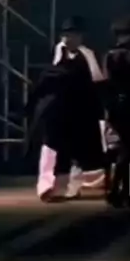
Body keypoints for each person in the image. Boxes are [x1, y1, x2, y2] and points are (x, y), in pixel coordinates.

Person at [29, 16, 105, 201]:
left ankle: (71, 187)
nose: (70, 39)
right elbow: (44, 79)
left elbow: (97, 79)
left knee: (78, 148)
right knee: (50, 147)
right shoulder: (55, 52)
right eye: (67, 35)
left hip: (79, 109)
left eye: (74, 35)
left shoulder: (87, 54)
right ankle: (46, 186)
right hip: (55, 109)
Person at [103, 17, 130, 207]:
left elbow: (106, 81)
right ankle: (122, 191)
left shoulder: (109, 55)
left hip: (115, 103)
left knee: (126, 148)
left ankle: (119, 191)